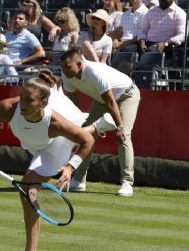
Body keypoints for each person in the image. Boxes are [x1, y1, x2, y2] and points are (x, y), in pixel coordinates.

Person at [0, 69, 95, 251]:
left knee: (27, 188)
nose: (22, 104)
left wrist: (70, 167)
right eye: (21, 97)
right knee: (28, 186)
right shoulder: (9, 108)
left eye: (29, 100)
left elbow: (87, 141)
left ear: (43, 103)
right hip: (32, 142)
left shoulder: (55, 122)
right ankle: (98, 124)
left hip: (54, 145)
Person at [60, 49, 141, 197]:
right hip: (102, 100)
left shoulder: (94, 72)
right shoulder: (67, 75)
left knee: (123, 136)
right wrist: (78, 125)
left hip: (126, 96)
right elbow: (73, 102)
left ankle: (127, 183)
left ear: (79, 64)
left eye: (67, 66)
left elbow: (111, 101)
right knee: (84, 136)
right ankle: (78, 180)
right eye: (62, 67)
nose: (64, 70)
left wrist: (119, 127)